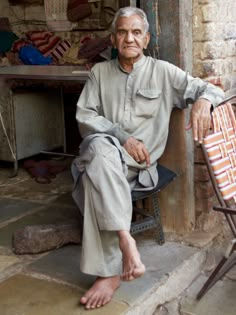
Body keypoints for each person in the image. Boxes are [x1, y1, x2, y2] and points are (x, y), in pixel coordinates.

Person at [71, 6, 225, 310]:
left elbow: (210, 88)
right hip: (105, 156)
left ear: (146, 39)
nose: (130, 38)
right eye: (123, 32)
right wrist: (123, 137)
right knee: (101, 151)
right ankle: (125, 239)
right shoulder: (100, 73)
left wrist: (204, 100)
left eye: (136, 32)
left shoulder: (164, 72)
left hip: (139, 169)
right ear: (114, 39)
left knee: (93, 176)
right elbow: (84, 116)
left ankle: (110, 268)